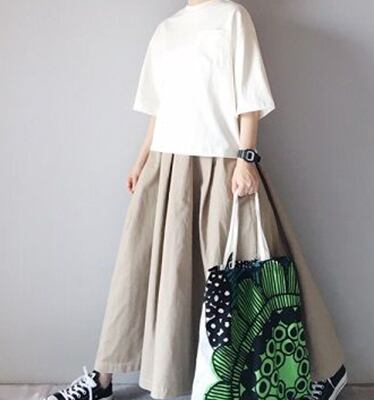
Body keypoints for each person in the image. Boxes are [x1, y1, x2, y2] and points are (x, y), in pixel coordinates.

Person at [44, 1, 348, 399]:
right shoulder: (166, 30)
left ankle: (325, 371)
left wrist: (247, 158)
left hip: (220, 164)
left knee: (252, 267)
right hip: (166, 167)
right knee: (140, 273)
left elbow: (249, 97)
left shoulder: (232, 17)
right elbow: (159, 108)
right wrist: (141, 160)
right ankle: (102, 380)